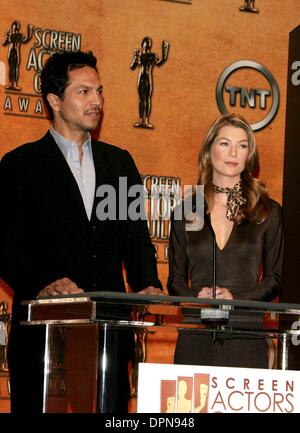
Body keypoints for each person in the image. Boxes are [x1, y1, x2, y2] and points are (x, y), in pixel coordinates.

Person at [0, 50, 162, 413]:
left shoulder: (118, 162)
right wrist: (44, 281)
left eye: (99, 91)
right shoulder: (19, 165)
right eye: (84, 92)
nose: (97, 102)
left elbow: (136, 238)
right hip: (42, 333)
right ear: (55, 101)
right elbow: (5, 245)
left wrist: (147, 284)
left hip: (107, 335)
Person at [167, 113, 284, 369]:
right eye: (224, 143)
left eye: (242, 145)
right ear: (210, 150)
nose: (233, 153)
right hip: (195, 334)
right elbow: (175, 280)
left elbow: (275, 279)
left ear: (249, 155)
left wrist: (236, 297)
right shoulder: (185, 211)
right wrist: (198, 296)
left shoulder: (268, 211)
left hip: (246, 334)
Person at [130, 36, 169, 128]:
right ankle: (140, 119)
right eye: (146, 42)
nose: (148, 44)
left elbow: (159, 63)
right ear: (142, 43)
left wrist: (165, 55)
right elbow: (132, 67)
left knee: (147, 99)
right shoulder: (139, 54)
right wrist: (134, 58)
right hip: (141, 78)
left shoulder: (152, 56)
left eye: (149, 42)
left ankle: (146, 120)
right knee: (141, 99)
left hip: (148, 78)